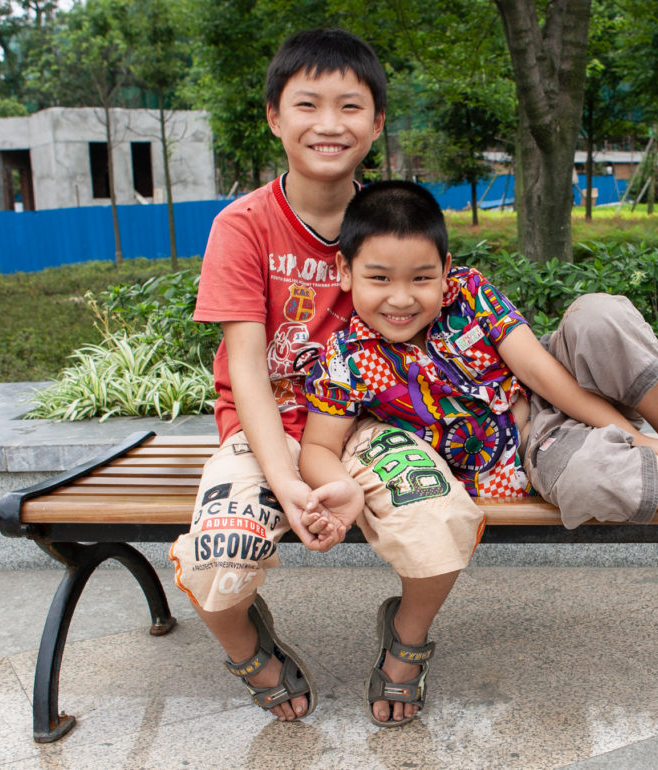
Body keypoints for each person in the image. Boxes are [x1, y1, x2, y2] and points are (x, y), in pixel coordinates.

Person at [169, 30, 484, 729]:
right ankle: (254, 651)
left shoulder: (392, 221)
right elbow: (247, 367)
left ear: (375, 124)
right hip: (265, 429)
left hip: (369, 425)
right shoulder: (243, 227)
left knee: (442, 525)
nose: (328, 123)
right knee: (216, 564)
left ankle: (405, 642)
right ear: (275, 117)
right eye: (307, 103)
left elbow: (453, 328)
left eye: (350, 106)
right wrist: (287, 484)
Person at [299, 179, 658, 544]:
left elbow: (540, 374)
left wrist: (646, 439)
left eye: (421, 278)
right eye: (379, 279)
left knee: (598, 315)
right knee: (589, 487)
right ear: (345, 272)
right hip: (534, 446)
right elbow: (320, 445)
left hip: (560, 389)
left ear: (445, 269)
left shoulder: (467, 295)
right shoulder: (346, 358)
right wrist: (338, 488)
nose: (401, 298)